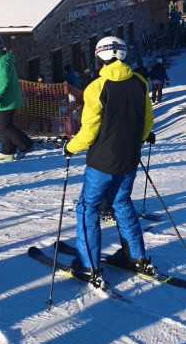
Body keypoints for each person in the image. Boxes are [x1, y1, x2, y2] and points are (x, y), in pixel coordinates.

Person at [64, 36, 155, 280]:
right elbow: (147, 120)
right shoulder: (138, 81)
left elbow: (90, 129)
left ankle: (88, 265)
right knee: (121, 202)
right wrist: (139, 138)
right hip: (129, 158)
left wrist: (71, 147)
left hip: (102, 161)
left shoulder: (97, 86)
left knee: (88, 207)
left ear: (99, 57)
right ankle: (134, 256)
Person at [0, 36, 32, 161]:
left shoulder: (1, 62)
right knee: (1, 125)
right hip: (4, 99)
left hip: (5, 99)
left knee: (4, 125)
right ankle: (7, 151)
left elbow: (2, 81)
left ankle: (26, 144)